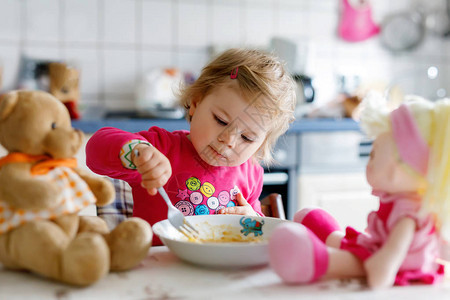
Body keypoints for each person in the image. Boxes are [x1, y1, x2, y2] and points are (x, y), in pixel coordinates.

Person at [86, 48, 296, 245]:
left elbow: (258, 234)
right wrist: (137, 152)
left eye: (248, 138)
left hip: (216, 275)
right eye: (221, 121)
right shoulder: (161, 148)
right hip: (159, 270)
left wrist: (254, 221)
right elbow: (96, 150)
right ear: (196, 103)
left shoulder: (251, 174)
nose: (229, 140)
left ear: (261, 144)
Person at [269, 93, 450, 288]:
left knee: (351, 260)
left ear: (398, 168)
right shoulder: (405, 202)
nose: (369, 162)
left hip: (386, 261)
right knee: (315, 220)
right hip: (375, 246)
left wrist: (379, 270)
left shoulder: (408, 216)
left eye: (374, 154)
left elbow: (389, 258)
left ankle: (317, 260)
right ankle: (329, 238)